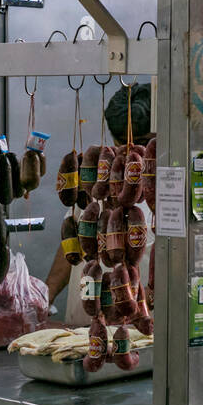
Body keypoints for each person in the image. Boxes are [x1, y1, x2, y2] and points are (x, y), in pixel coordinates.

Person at [46, 83, 154, 318]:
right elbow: (73, 242)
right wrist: (45, 296)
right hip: (83, 326)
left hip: (141, 329)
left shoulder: (167, 186)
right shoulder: (98, 179)